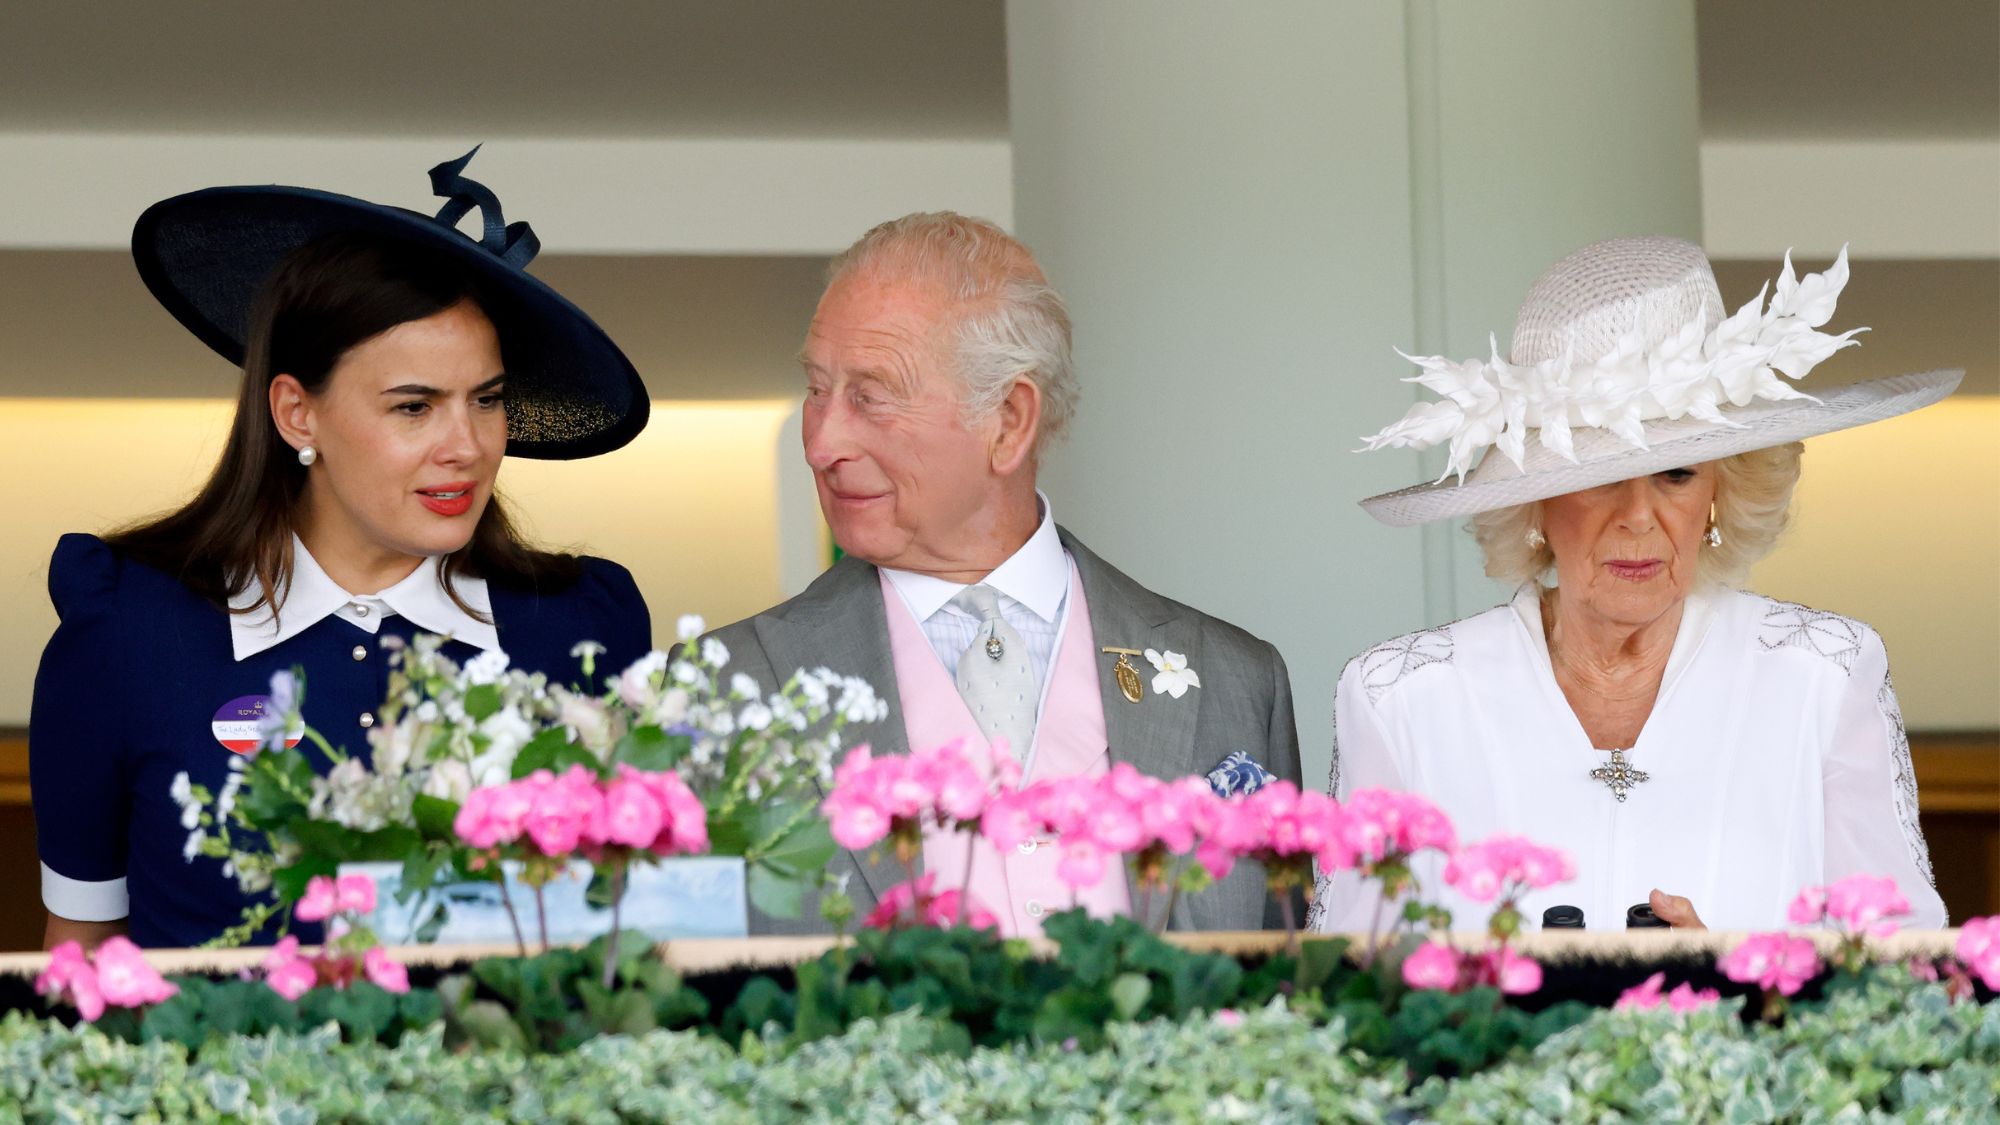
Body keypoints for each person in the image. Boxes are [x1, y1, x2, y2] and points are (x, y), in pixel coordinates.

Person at [32, 152, 654, 950]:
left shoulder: (580, 629)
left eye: (487, 400)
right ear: (297, 414)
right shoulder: (125, 633)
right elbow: (81, 950)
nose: (464, 446)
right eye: (414, 406)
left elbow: (633, 938)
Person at [1310, 236, 1954, 934]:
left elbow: (1904, 973)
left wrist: (1741, 988)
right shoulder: (1402, 697)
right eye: (1599, 477)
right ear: (1535, 503)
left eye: (1676, 474)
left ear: (1719, 492)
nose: (1639, 517)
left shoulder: (1824, 674)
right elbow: (1344, 988)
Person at [707, 212, 1301, 936]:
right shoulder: (722, 687)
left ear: (1010, 421)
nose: (822, 441)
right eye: (817, 389)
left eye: (870, 394)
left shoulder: (1240, 681)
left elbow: (1286, 988)